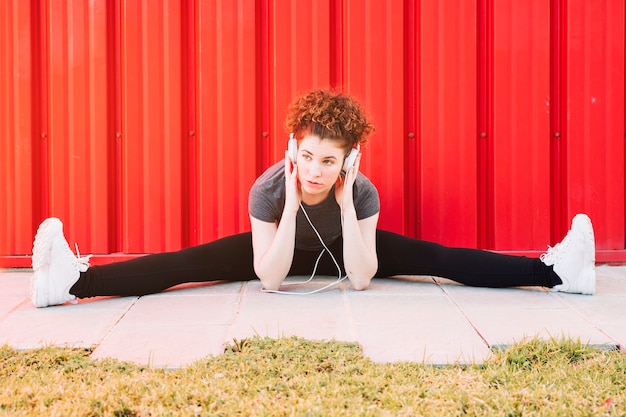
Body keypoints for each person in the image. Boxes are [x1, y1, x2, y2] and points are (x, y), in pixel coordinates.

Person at [30, 89, 596, 308]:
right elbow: (271, 281)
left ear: (349, 158)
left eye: (330, 161)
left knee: (439, 259)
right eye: (308, 157)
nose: (316, 170)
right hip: (282, 248)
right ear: (292, 150)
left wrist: (348, 204)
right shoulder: (270, 188)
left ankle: (554, 273)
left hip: (345, 248)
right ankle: (73, 284)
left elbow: (359, 280)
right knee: (186, 264)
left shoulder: (361, 190)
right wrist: (296, 204)